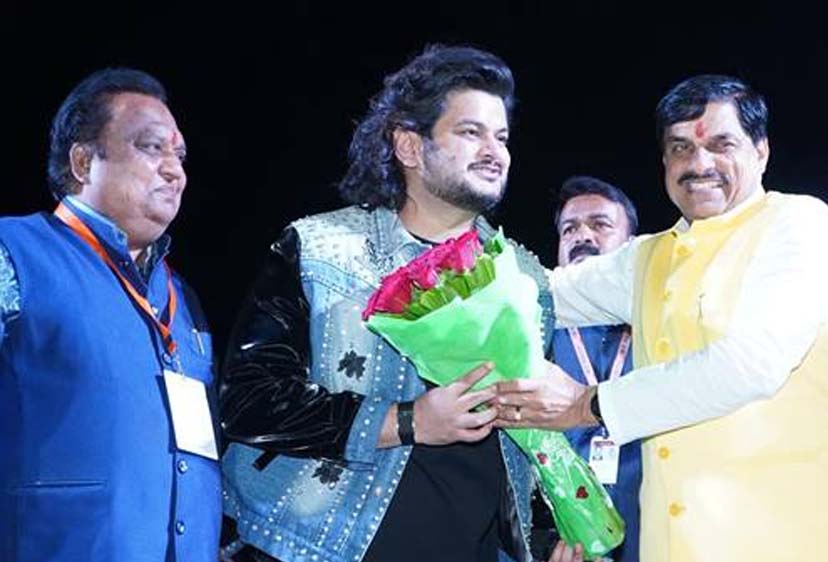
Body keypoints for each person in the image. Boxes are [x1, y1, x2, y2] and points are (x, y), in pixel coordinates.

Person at [495, 74, 828, 561]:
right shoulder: (647, 258)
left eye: (722, 144)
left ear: (761, 152)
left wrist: (588, 404)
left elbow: (750, 365)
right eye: (680, 148)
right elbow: (539, 294)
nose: (699, 164)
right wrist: (441, 263)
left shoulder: (799, 226)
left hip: (802, 543)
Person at [218, 45, 557, 562]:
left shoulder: (526, 279)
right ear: (409, 146)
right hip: (308, 549)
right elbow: (248, 400)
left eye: (502, 137)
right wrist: (405, 421)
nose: (495, 151)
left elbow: (528, 443)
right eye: (471, 132)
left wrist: (550, 537)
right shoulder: (320, 249)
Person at [0, 68, 220, 561]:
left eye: (180, 155)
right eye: (151, 147)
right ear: (83, 161)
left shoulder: (181, 297)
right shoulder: (13, 252)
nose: (175, 170)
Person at [532, 175, 640, 562]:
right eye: (570, 228)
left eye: (600, 224)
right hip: (565, 547)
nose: (582, 236)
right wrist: (541, 545)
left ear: (631, 245)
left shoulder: (658, 325)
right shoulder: (534, 333)